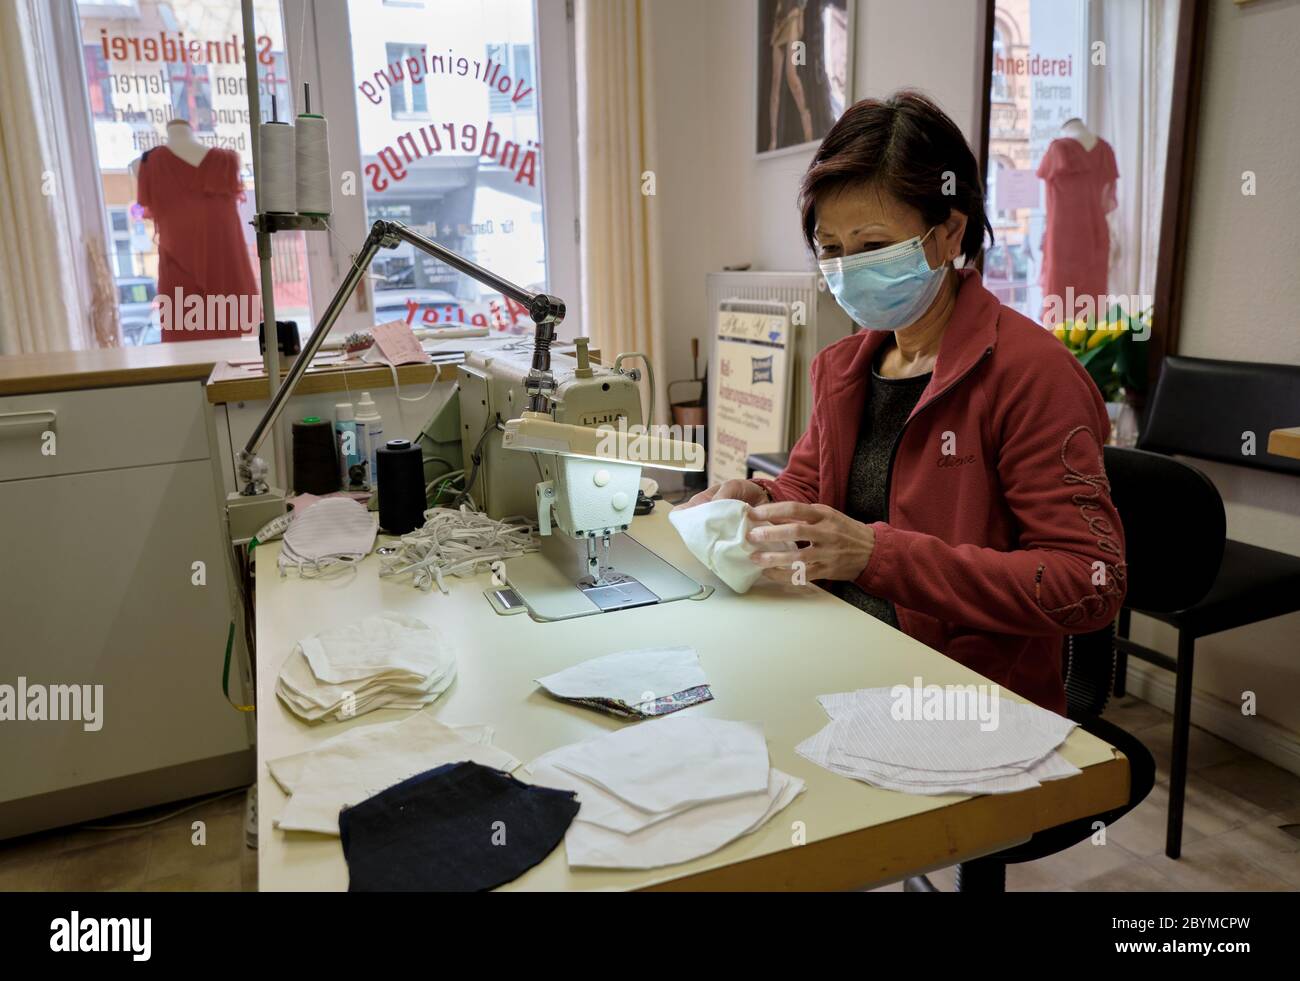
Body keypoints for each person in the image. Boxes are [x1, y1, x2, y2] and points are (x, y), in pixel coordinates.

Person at [683, 91, 1126, 713]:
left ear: (948, 234)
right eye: (831, 250)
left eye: (870, 248)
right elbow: (809, 489)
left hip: (965, 698)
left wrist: (876, 554)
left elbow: (1088, 585)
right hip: (842, 649)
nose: (846, 270)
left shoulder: (1031, 376)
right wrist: (757, 500)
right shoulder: (848, 367)